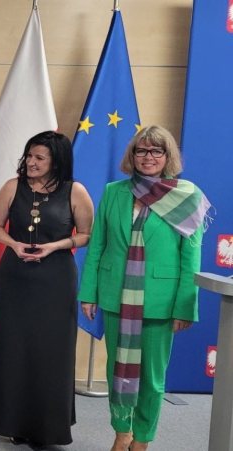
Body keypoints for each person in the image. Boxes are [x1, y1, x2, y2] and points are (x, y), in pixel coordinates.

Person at [79, 125, 209, 451]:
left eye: (156, 151)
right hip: (116, 295)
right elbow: (98, 246)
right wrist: (89, 292)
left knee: (151, 377)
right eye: (142, 150)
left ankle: (142, 438)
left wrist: (185, 306)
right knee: (117, 370)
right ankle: (121, 431)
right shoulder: (114, 192)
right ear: (132, 155)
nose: (148, 157)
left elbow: (191, 258)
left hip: (161, 301)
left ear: (167, 156)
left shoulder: (187, 196)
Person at [0, 131, 94, 447]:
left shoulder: (75, 191)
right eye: (29, 155)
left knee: (50, 351)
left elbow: (86, 235)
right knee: (15, 348)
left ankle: (47, 427)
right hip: (15, 277)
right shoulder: (12, 187)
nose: (31, 162)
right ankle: (13, 422)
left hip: (55, 280)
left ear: (57, 161)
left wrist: (55, 245)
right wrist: (14, 244)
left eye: (40, 157)